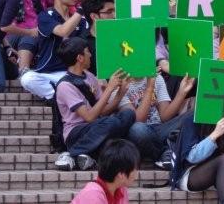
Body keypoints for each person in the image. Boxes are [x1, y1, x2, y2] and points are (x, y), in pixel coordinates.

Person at [55, 37, 135, 171]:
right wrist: (109, 89)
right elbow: (89, 117)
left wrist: (120, 93)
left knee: (128, 114)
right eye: (87, 52)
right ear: (80, 58)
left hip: (96, 127)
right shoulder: (65, 85)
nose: (90, 55)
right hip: (76, 132)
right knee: (111, 124)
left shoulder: (89, 76)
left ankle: (86, 155)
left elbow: (102, 112)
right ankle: (72, 153)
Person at [20, 0, 88, 100]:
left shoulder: (80, 19)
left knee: (92, 81)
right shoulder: (45, 16)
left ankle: (63, 98)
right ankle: (58, 99)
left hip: (73, 73)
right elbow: (63, 31)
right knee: (27, 79)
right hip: (48, 73)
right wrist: (82, 8)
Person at [170, 115, 224, 204]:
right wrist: (215, 134)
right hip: (188, 173)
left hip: (218, 170)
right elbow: (192, 158)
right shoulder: (191, 119)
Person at [122, 74, 195, 169]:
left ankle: (169, 150)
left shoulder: (157, 78)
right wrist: (149, 88)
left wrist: (182, 92)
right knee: (137, 129)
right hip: (139, 133)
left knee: (195, 113)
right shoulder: (121, 82)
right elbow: (138, 120)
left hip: (161, 129)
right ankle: (166, 151)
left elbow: (165, 117)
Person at [71, 139, 140, 204]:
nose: (136, 173)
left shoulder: (121, 189)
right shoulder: (93, 195)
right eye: (135, 168)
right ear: (121, 174)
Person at [80, 0, 116, 76]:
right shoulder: (83, 43)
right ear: (94, 16)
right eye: (109, 12)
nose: (114, 16)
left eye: (114, 11)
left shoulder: (124, 35)